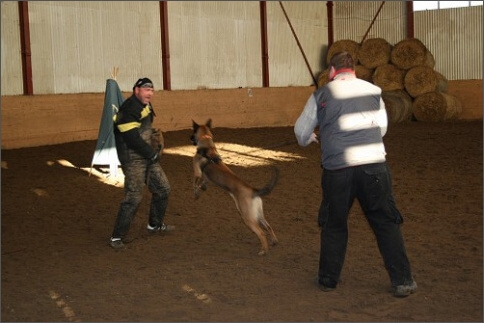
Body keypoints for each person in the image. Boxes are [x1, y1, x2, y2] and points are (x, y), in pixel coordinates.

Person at [294, 52, 417, 297]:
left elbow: (300, 131)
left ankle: (328, 279)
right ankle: (403, 280)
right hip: (374, 166)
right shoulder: (373, 91)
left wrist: (309, 138)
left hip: (338, 169)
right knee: (385, 223)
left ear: (331, 72)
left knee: (334, 224)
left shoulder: (321, 94)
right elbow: (381, 128)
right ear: (354, 71)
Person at [109, 77, 174, 249]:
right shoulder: (128, 110)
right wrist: (151, 153)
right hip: (133, 160)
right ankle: (117, 237)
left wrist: (151, 135)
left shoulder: (145, 105)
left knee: (163, 189)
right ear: (136, 90)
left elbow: (142, 128)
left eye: (151, 90)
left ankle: (154, 225)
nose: (150, 93)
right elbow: (131, 138)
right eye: (146, 90)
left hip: (146, 155)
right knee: (134, 197)